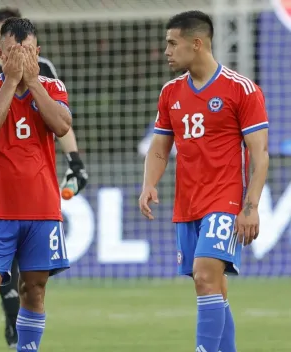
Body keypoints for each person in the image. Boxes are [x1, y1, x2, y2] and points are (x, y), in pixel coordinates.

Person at [0, 7, 87, 348]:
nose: (21, 60)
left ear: (38, 53)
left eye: (28, 53)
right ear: (0, 53)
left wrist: (33, 81)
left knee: (34, 290)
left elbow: (62, 125)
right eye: (13, 54)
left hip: (42, 209)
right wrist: (11, 80)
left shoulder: (51, 84)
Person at [139, 11, 269, 352]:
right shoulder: (170, 93)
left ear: (196, 44)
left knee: (205, 276)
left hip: (225, 200)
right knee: (215, 287)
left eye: (172, 43)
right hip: (188, 203)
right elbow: (159, 148)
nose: (166, 50)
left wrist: (250, 207)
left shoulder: (241, 89)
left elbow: (260, 155)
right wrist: (148, 183)